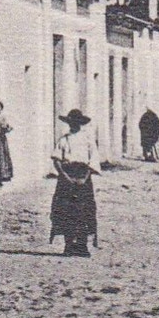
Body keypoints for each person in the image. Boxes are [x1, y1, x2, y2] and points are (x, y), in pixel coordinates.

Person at [51, 109, 100, 257]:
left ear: (81, 124)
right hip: (67, 178)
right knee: (67, 210)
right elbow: (57, 160)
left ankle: (82, 245)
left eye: (77, 123)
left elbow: (93, 160)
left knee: (84, 210)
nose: (74, 125)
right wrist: (65, 176)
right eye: (72, 122)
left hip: (83, 176)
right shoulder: (64, 140)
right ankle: (69, 245)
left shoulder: (88, 140)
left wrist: (85, 177)